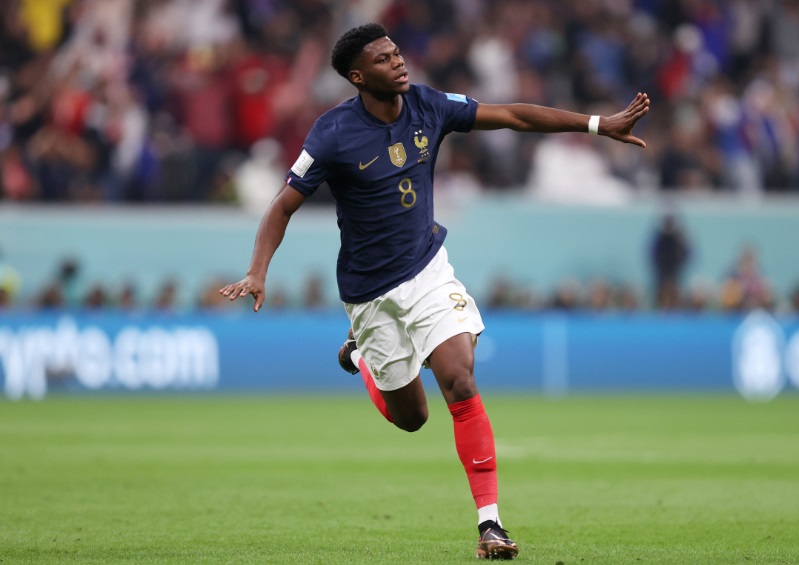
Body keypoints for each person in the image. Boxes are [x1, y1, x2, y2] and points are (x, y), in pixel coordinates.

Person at [220, 23, 650, 560]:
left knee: (459, 378)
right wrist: (258, 271)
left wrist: (597, 124)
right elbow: (282, 205)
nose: (398, 62)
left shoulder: (428, 106)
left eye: (397, 52)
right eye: (383, 59)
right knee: (413, 419)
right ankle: (363, 357)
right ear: (358, 77)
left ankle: (490, 525)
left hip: (427, 270)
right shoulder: (331, 133)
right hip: (369, 292)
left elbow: (513, 116)